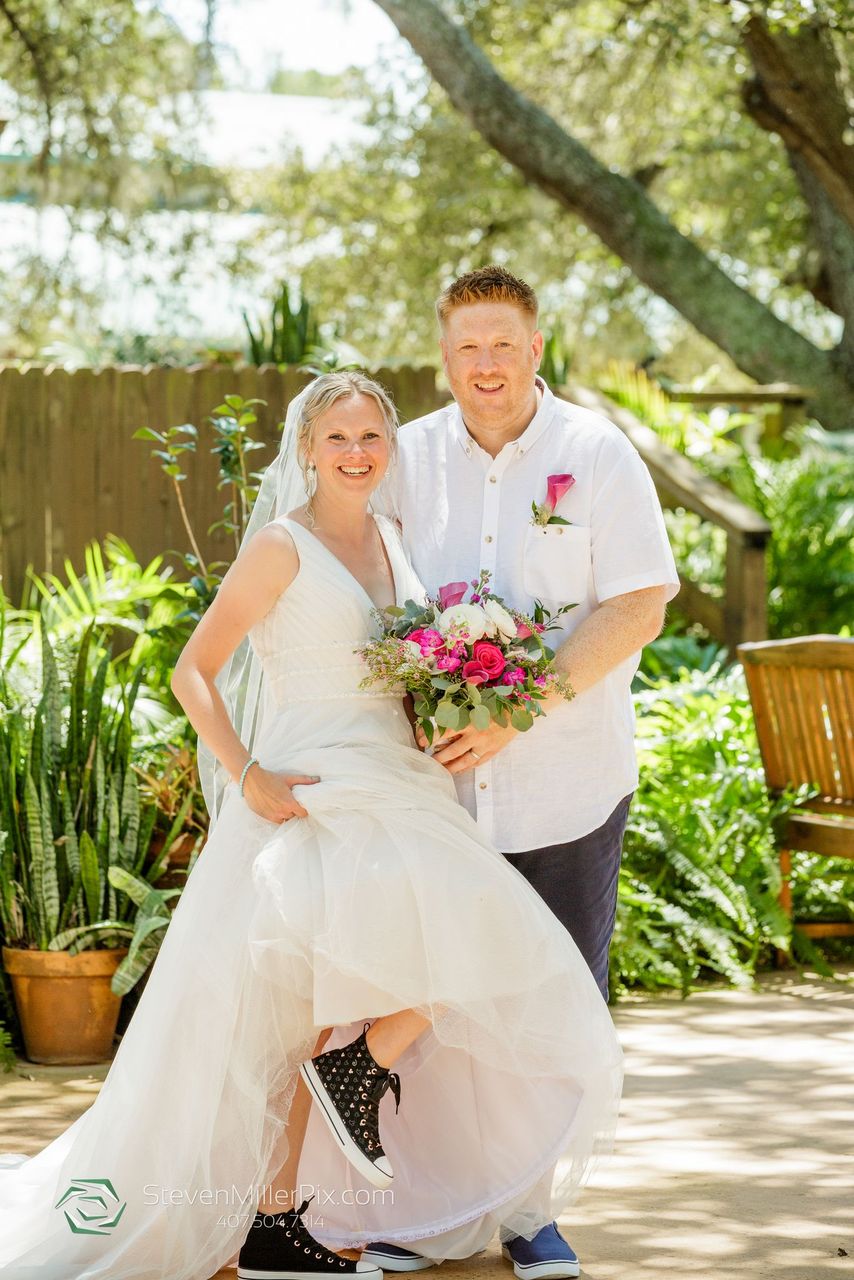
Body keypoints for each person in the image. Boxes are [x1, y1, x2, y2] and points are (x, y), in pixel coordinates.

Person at [0, 372, 622, 1280]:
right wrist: (245, 772)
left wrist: (447, 701)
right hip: (312, 788)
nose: (359, 453)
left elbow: (395, 669)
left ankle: (350, 1085)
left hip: (401, 780)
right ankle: (274, 1215)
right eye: (339, 439)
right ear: (306, 450)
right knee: (292, 1022)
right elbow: (193, 671)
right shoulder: (280, 548)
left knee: (447, 956)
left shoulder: (393, 539)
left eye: (373, 437)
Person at [366, 268, 679, 1280]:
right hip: (431, 791)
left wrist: (515, 709)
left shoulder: (593, 453)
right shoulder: (403, 458)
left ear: (535, 348)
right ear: (443, 355)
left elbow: (637, 604)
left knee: (549, 1002)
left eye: (502, 342)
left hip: (566, 786)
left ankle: (530, 1215)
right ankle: (421, 1214)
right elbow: (366, 597)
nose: (485, 364)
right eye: (466, 347)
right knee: (422, 1002)